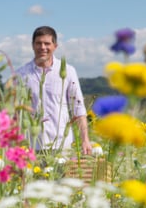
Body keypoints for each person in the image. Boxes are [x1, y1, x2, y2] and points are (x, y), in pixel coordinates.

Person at [15, 26, 92, 155]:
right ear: (32, 45)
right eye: (38, 43)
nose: (42, 47)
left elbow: (78, 109)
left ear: (55, 46)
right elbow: (15, 112)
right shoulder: (21, 74)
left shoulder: (68, 71)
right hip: (31, 144)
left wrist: (85, 140)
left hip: (61, 145)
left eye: (47, 43)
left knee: (64, 176)